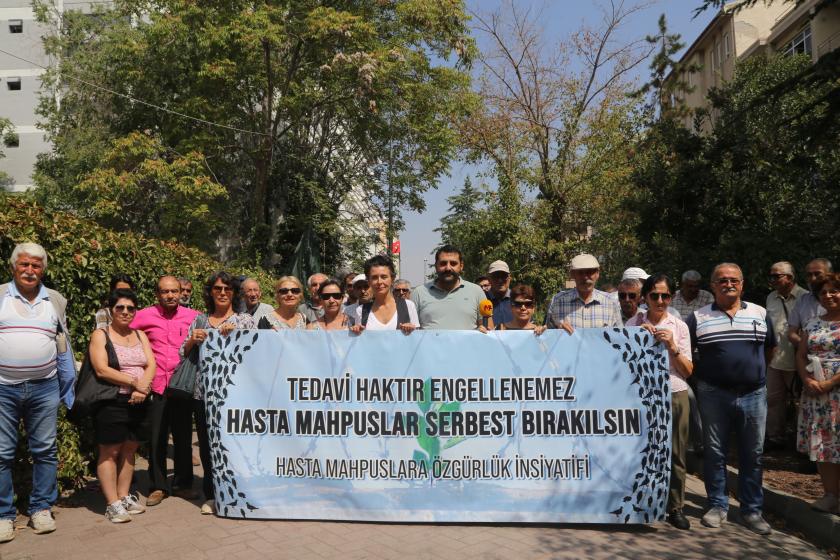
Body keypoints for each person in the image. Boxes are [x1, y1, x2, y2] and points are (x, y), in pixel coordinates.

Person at [686, 263, 776, 535]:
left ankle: (751, 510)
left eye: (733, 280)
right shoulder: (697, 317)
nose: (728, 284)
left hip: (753, 394)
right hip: (713, 394)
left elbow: (770, 350)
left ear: (742, 284)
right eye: (722, 280)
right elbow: (687, 352)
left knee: (754, 453)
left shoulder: (760, 313)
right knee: (714, 453)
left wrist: (753, 375)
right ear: (712, 286)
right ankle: (717, 505)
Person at [0, 243, 76, 541]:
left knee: (45, 450)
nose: (30, 270)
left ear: (43, 270)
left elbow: (62, 341)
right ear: (13, 267)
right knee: (2, 453)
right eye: (24, 265)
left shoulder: (55, 299)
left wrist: (65, 382)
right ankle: (4, 514)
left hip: (45, 386)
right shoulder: (0, 295)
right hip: (3, 388)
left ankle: (41, 508)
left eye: (36, 266)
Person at [181, 272, 255, 515]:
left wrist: (237, 335)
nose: (222, 293)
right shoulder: (200, 320)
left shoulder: (245, 320)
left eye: (227, 289)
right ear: (210, 292)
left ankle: (241, 491)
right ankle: (213, 494)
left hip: (236, 396)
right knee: (207, 445)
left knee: (237, 444)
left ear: (234, 293)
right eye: (217, 288)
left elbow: (257, 353)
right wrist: (193, 340)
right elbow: (183, 351)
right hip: (204, 396)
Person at [627, 275, 693, 530]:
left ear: (671, 297)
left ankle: (675, 506)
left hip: (674, 393)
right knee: (643, 450)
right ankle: (643, 501)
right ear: (645, 298)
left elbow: (688, 371)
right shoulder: (633, 323)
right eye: (654, 295)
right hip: (643, 396)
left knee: (675, 453)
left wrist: (671, 346)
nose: (660, 300)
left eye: (665, 296)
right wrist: (636, 338)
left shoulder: (679, 326)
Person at [130, 276, 200, 506]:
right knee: (157, 438)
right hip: (157, 384)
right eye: (164, 292)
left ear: (181, 292)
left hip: (183, 385)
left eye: (174, 291)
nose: (170, 295)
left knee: (182, 437)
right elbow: (125, 336)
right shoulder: (143, 316)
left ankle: (182, 484)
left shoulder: (194, 317)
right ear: (157, 294)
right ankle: (158, 486)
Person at [89, 289, 155, 523]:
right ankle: (112, 503)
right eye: (120, 308)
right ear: (111, 310)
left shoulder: (139, 334)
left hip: (139, 401)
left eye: (130, 308)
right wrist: (134, 383)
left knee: (129, 449)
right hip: (112, 401)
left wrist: (142, 389)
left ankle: (124, 495)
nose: (125, 312)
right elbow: (101, 369)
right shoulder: (101, 335)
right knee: (109, 451)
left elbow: (151, 364)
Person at [795, 272, 840, 514]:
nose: (828, 295)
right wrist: (806, 379)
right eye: (823, 292)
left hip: (835, 391)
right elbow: (801, 355)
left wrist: (830, 382)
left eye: (834, 290)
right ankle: (830, 495)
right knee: (824, 444)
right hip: (816, 394)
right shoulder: (813, 323)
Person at [764, 261, 809, 451]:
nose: (772, 280)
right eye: (771, 276)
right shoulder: (771, 298)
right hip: (775, 360)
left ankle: (803, 445)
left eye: (776, 276)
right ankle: (775, 438)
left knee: (802, 403)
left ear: (789, 278)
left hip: (799, 360)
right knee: (773, 400)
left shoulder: (806, 297)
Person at [412, 245, 489, 330]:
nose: (448, 268)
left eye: (453, 263)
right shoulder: (419, 293)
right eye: (443, 263)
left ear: (461, 266)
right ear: (436, 266)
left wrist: (484, 330)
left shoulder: (477, 292)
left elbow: (487, 328)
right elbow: (411, 331)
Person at [545, 253, 621, 332]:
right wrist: (558, 331)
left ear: (597, 273)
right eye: (580, 272)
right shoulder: (558, 301)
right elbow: (547, 337)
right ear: (572, 274)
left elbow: (620, 337)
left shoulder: (610, 302)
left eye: (589, 272)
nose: (585, 277)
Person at [350, 255, 419, 334]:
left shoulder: (408, 306)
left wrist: (411, 331)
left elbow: (416, 340)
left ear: (392, 279)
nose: (379, 282)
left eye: (384, 277)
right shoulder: (361, 311)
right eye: (374, 277)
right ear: (368, 281)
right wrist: (356, 331)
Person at [788, 258, 833, 348]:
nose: (813, 278)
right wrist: (809, 348)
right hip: (809, 357)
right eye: (809, 275)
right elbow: (791, 333)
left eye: (817, 274)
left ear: (830, 274)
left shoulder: (836, 299)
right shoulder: (802, 301)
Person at [487, 261, 513, 327]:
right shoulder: (482, 299)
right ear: (489, 279)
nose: (500, 280)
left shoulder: (518, 300)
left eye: (503, 276)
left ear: (509, 278)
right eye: (496, 276)